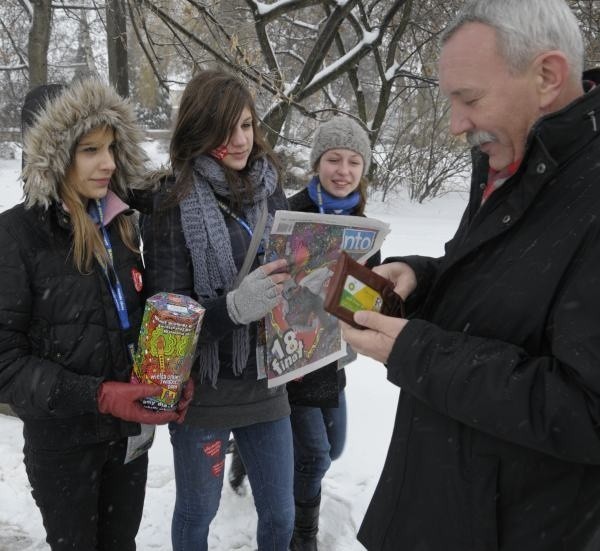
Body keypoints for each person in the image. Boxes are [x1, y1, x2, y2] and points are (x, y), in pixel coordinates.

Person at [340, 1, 600, 550]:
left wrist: (418, 352)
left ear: (547, 77)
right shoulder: (512, 158)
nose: (457, 124)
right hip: (438, 505)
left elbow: (586, 412)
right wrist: (419, 276)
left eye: (470, 99)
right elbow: (496, 286)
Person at [0, 79, 190, 551]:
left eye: (110, 148)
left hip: (129, 439)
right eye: (89, 150)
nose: (107, 163)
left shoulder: (119, 222)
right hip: (63, 445)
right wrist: (100, 395)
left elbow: (134, 316)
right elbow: (5, 363)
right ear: (53, 155)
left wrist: (170, 375)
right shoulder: (15, 236)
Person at [141, 69, 295, 551]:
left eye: (247, 124)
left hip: (267, 381)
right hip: (202, 392)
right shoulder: (173, 200)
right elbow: (165, 332)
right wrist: (233, 307)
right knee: (196, 512)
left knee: (281, 512)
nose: (240, 139)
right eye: (225, 127)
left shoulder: (272, 189)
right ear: (198, 128)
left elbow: (288, 268)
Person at [287, 116, 379, 551]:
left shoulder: (366, 225)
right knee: (315, 455)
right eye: (334, 159)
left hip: (334, 357)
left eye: (354, 162)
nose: (343, 170)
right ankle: (302, 535)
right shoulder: (291, 211)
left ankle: (253, 463)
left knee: (335, 446)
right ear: (317, 163)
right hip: (293, 356)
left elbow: (369, 296)